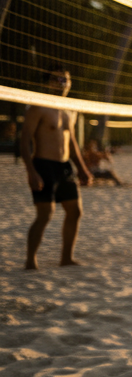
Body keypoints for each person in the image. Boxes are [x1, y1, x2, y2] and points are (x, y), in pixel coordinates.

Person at [20, 67, 92, 269]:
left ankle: (66, 258)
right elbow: (25, 141)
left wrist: (82, 169)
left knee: (75, 211)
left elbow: (72, 143)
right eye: (57, 79)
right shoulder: (38, 107)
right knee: (45, 214)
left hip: (65, 166)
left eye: (65, 80)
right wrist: (31, 171)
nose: (61, 83)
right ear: (48, 82)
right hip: (43, 164)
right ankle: (30, 260)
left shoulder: (71, 109)